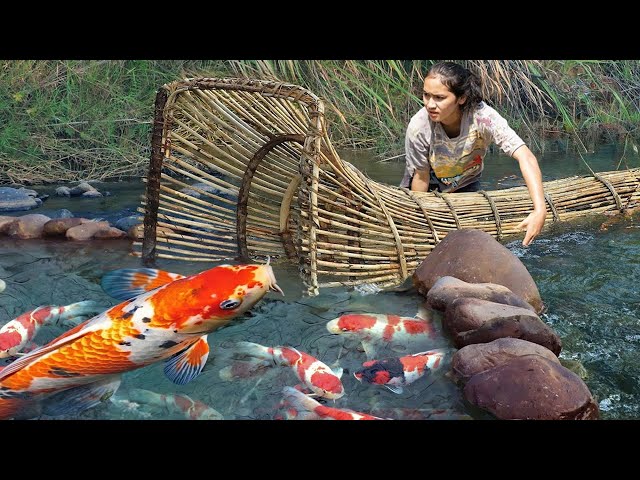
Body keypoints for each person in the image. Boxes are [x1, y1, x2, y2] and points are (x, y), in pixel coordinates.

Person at [401, 61, 546, 246]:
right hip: (427, 184)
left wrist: (539, 209)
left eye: (439, 97)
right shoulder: (419, 127)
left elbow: (525, 155)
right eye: (426, 95)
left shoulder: (483, 118)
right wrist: (417, 222)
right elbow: (421, 177)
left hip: (466, 183)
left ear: (461, 98)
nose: (430, 104)